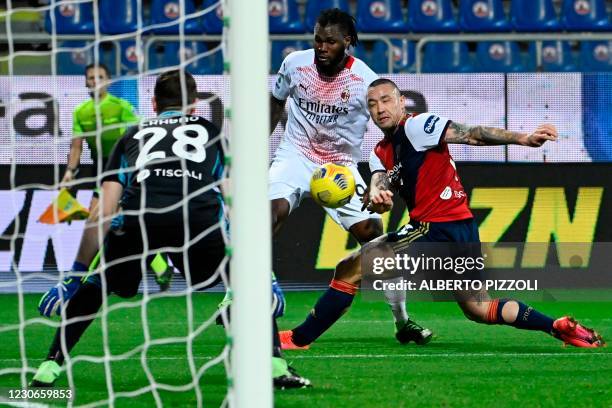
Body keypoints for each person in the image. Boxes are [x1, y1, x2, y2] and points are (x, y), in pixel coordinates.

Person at [31, 70, 310, 389]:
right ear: (194, 105)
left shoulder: (132, 134)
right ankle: (273, 365)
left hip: (140, 220)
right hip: (198, 221)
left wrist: (76, 272)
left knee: (96, 283)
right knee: (243, 280)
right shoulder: (211, 133)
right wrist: (264, 274)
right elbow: (236, 205)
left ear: (153, 104)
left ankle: (49, 367)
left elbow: (104, 211)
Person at [281, 77, 605, 349]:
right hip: (461, 230)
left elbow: (472, 133)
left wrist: (522, 138)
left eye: (386, 100)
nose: (380, 108)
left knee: (350, 268)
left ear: (400, 102)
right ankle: (558, 327)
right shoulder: (380, 152)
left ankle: (299, 338)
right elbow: (380, 184)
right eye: (372, 104)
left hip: (435, 228)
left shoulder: (419, 125)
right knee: (479, 308)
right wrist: (376, 196)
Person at [270, 8, 431, 349]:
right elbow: (275, 101)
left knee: (376, 240)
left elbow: (389, 134)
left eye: (330, 41)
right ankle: (247, 292)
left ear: (348, 43)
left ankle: (403, 323)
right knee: (272, 212)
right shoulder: (294, 64)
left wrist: (381, 181)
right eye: (317, 39)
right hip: (295, 155)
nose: (321, 47)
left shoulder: (366, 84)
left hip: (341, 168)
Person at [38, 63, 168, 317]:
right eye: (90, 78)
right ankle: (158, 263)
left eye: (100, 77)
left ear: (108, 81)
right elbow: (76, 147)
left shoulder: (120, 107)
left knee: (106, 220)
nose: (95, 81)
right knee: (99, 222)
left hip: (125, 170)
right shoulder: (81, 112)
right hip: (101, 171)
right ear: (86, 82)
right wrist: (69, 172)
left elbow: (138, 136)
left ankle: (85, 278)